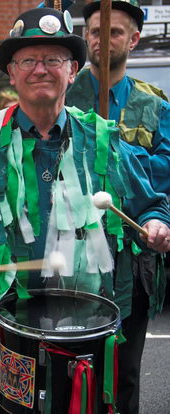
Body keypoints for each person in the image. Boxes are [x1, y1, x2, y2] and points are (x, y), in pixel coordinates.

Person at [0, 7, 170, 413]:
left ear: (73, 70)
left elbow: (152, 203)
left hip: (88, 332)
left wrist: (156, 223)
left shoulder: (105, 142)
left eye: (54, 59)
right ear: (11, 74)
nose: (40, 69)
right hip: (2, 326)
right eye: (28, 60)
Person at [65, 1, 170, 412]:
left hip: (132, 259)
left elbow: (163, 172)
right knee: (69, 364)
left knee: (124, 371)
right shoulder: (63, 92)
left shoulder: (154, 105)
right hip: (69, 253)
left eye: (113, 32)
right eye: (93, 31)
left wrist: (117, 156)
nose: (101, 39)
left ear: (133, 39)